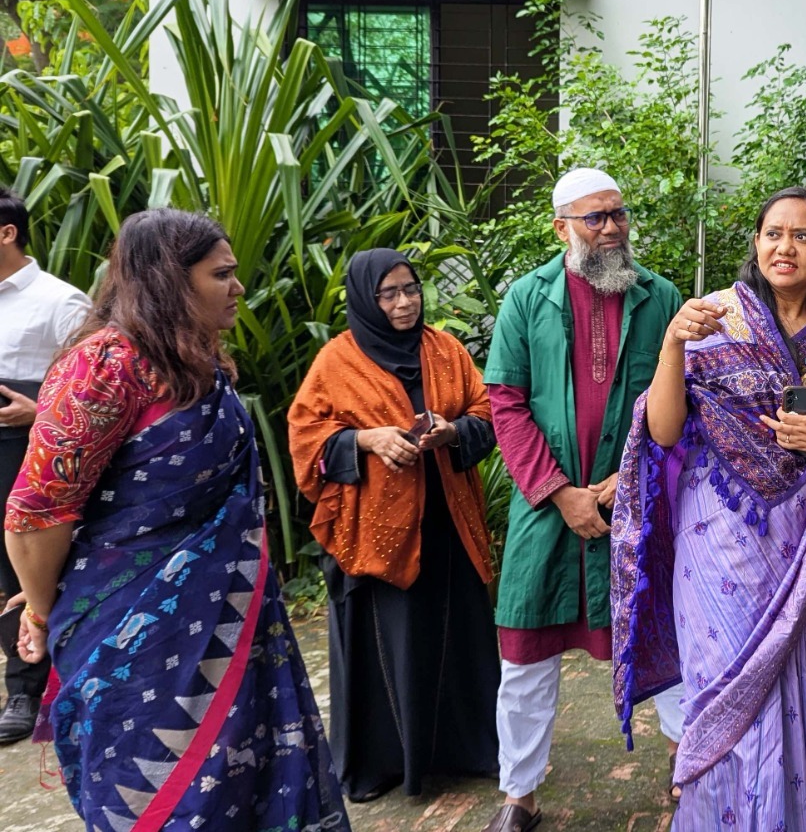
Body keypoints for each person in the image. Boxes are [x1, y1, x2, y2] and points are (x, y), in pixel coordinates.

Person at [4, 208, 348, 830]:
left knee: (246, 784)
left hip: (230, 621)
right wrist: (39, 609)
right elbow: (35, 513)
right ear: (169, 281)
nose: (239, 287)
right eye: (222, 275)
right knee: (162, 796)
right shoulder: (102, 367)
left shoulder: (197, 364)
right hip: (134, 636)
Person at [611, 185, 806, 831]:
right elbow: (666, 428)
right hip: (718, 541)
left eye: (802, 235)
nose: (784, 246)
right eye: (772, 233)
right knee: (727, 688)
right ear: (757, 243)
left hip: (803, 540)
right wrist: (673, 343)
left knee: (794, 688)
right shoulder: (713, 317)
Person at [481, 168, 683, 832]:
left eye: (618, 214)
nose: (612, 228)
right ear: (561, 227)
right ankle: (521, 793)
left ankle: (694, 767)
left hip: (639, 501)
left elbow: (680, 402)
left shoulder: (661, 298)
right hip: (548, 509)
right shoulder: (526, 298)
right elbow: (505, 400)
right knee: (526, 651)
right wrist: (560, 491)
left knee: (667, 633)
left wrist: (630, 478)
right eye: (595, 218)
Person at [288, 248, 500, 802]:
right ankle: (386, 764)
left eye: (411, 289)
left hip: (447, 521)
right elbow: (306, 438)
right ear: (366, 299)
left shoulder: (445, 349)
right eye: (389, 294)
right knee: (392, 645)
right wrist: (367, 439)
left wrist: (449, 431)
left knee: (455, 638)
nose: (405, 303)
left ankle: (470, 751)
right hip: (378, 532)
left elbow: (486, 412)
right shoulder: (337, 361)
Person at [0, 186, 89, 745]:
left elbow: (88, 394)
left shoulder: (61, 301)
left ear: (7, 232)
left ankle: (24, 690)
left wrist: (40, 413)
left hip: (27, 446)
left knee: (24, 560)